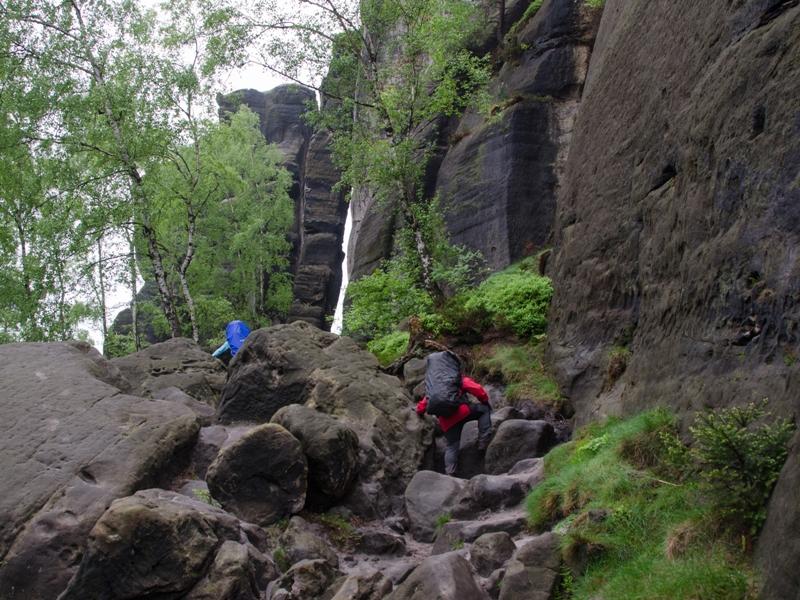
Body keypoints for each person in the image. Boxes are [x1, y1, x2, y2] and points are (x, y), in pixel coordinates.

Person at [415, 351, 491, 476]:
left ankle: (449, 473)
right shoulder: (455, 378)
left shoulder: (434, 387)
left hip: (447, 422)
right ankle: (483, 440)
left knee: (451, 446)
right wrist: (484, 400)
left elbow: (422, 406)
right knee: (484, 410)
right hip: (462, 412)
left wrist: (418, 411)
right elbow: (477, 389)